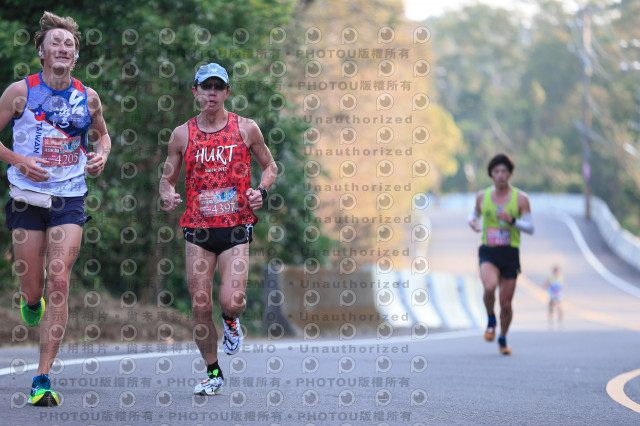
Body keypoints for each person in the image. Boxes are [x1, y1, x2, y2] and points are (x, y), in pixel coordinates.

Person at [0, 12, 110, 406]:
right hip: (26, 198)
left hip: (69, 198)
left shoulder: (88, 96)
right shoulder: (20, 92)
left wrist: (101, 155)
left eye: (70, 44)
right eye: (56, 42)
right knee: (34, 287)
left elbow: (103, 136)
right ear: (42, 53)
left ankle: (42, 378)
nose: (63, 48)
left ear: (75, 56)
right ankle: (31, 301)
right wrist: (18, 160)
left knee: (59, 280)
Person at [159, 63, 277, 395]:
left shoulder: (246, 128)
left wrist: (261, 191)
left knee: (232, 300)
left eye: (218, 87)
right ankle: (213, 372)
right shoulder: (182, 134)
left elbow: (270, 166)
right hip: (198, 229)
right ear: (195, 92)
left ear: (227, 92)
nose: (211, 93)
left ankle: (231, 320)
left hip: (236, 226)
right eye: (205, 87)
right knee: (200, 305)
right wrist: (167, 194)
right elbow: (167, 179)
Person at [468, 153, 534, 355]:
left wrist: (511, 220)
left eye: (504, 171)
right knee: (489, 287)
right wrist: (471, 221)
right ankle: (491, 319)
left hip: (510, 253)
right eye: (496, 171)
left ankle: (503, 337)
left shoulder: (521, 199)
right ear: (491, 174)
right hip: (489, 251)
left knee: (506, 304)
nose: (500, 175)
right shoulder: (482, 196)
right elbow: (474, 214)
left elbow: (530, 228)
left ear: (510, 174)